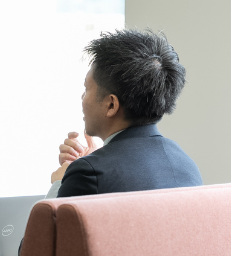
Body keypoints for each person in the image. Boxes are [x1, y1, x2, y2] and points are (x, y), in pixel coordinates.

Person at [48, 29, 202, 199]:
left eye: (87, 88)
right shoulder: (186, 165)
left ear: (111, 104)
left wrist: (60, 182)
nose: (82, 97)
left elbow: (46, 225)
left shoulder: (87, 174)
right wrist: (94, 158)